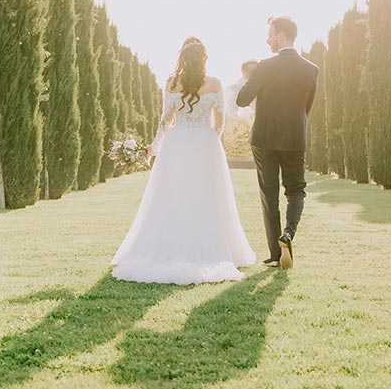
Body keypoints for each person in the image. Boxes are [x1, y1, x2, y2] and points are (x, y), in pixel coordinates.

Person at [110, 39, 256, 284]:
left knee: (172, 195)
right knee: (206, 196)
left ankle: (168, 244)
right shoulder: (214, 84)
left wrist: (155, 146)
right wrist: (211, 141)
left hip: (176, 144)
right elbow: (219, 121)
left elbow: (165, 120)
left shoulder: (172, 83)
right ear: (203, 59)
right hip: (205, 143)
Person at [235, 16, 319, 270]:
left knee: (269, 196)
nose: (267, 40)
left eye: (270, 35)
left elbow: (241, 100)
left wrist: (252, 82)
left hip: (264, 139)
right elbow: (307, 108)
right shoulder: (311, 69)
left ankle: (275, 254)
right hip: (294, 138)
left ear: (281, 36)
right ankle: (288, 234)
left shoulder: (265, 66)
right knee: (296, 191)